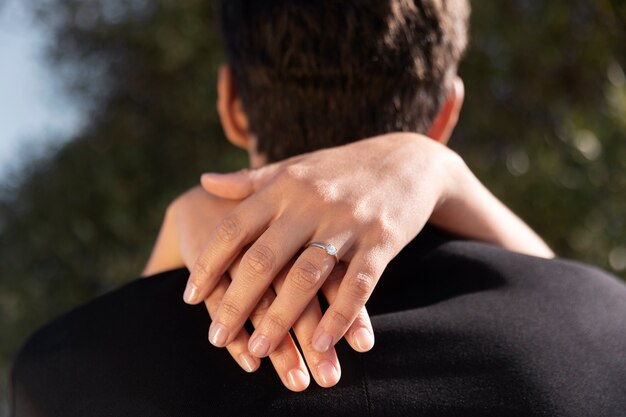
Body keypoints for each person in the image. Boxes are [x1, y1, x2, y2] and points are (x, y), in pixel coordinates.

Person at [11, 0, 626, 415]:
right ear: (447, 113)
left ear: (230, 103)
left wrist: (184, 223)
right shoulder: (604, 330)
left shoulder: (56, 367)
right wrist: (446, 174)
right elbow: (584, 319)